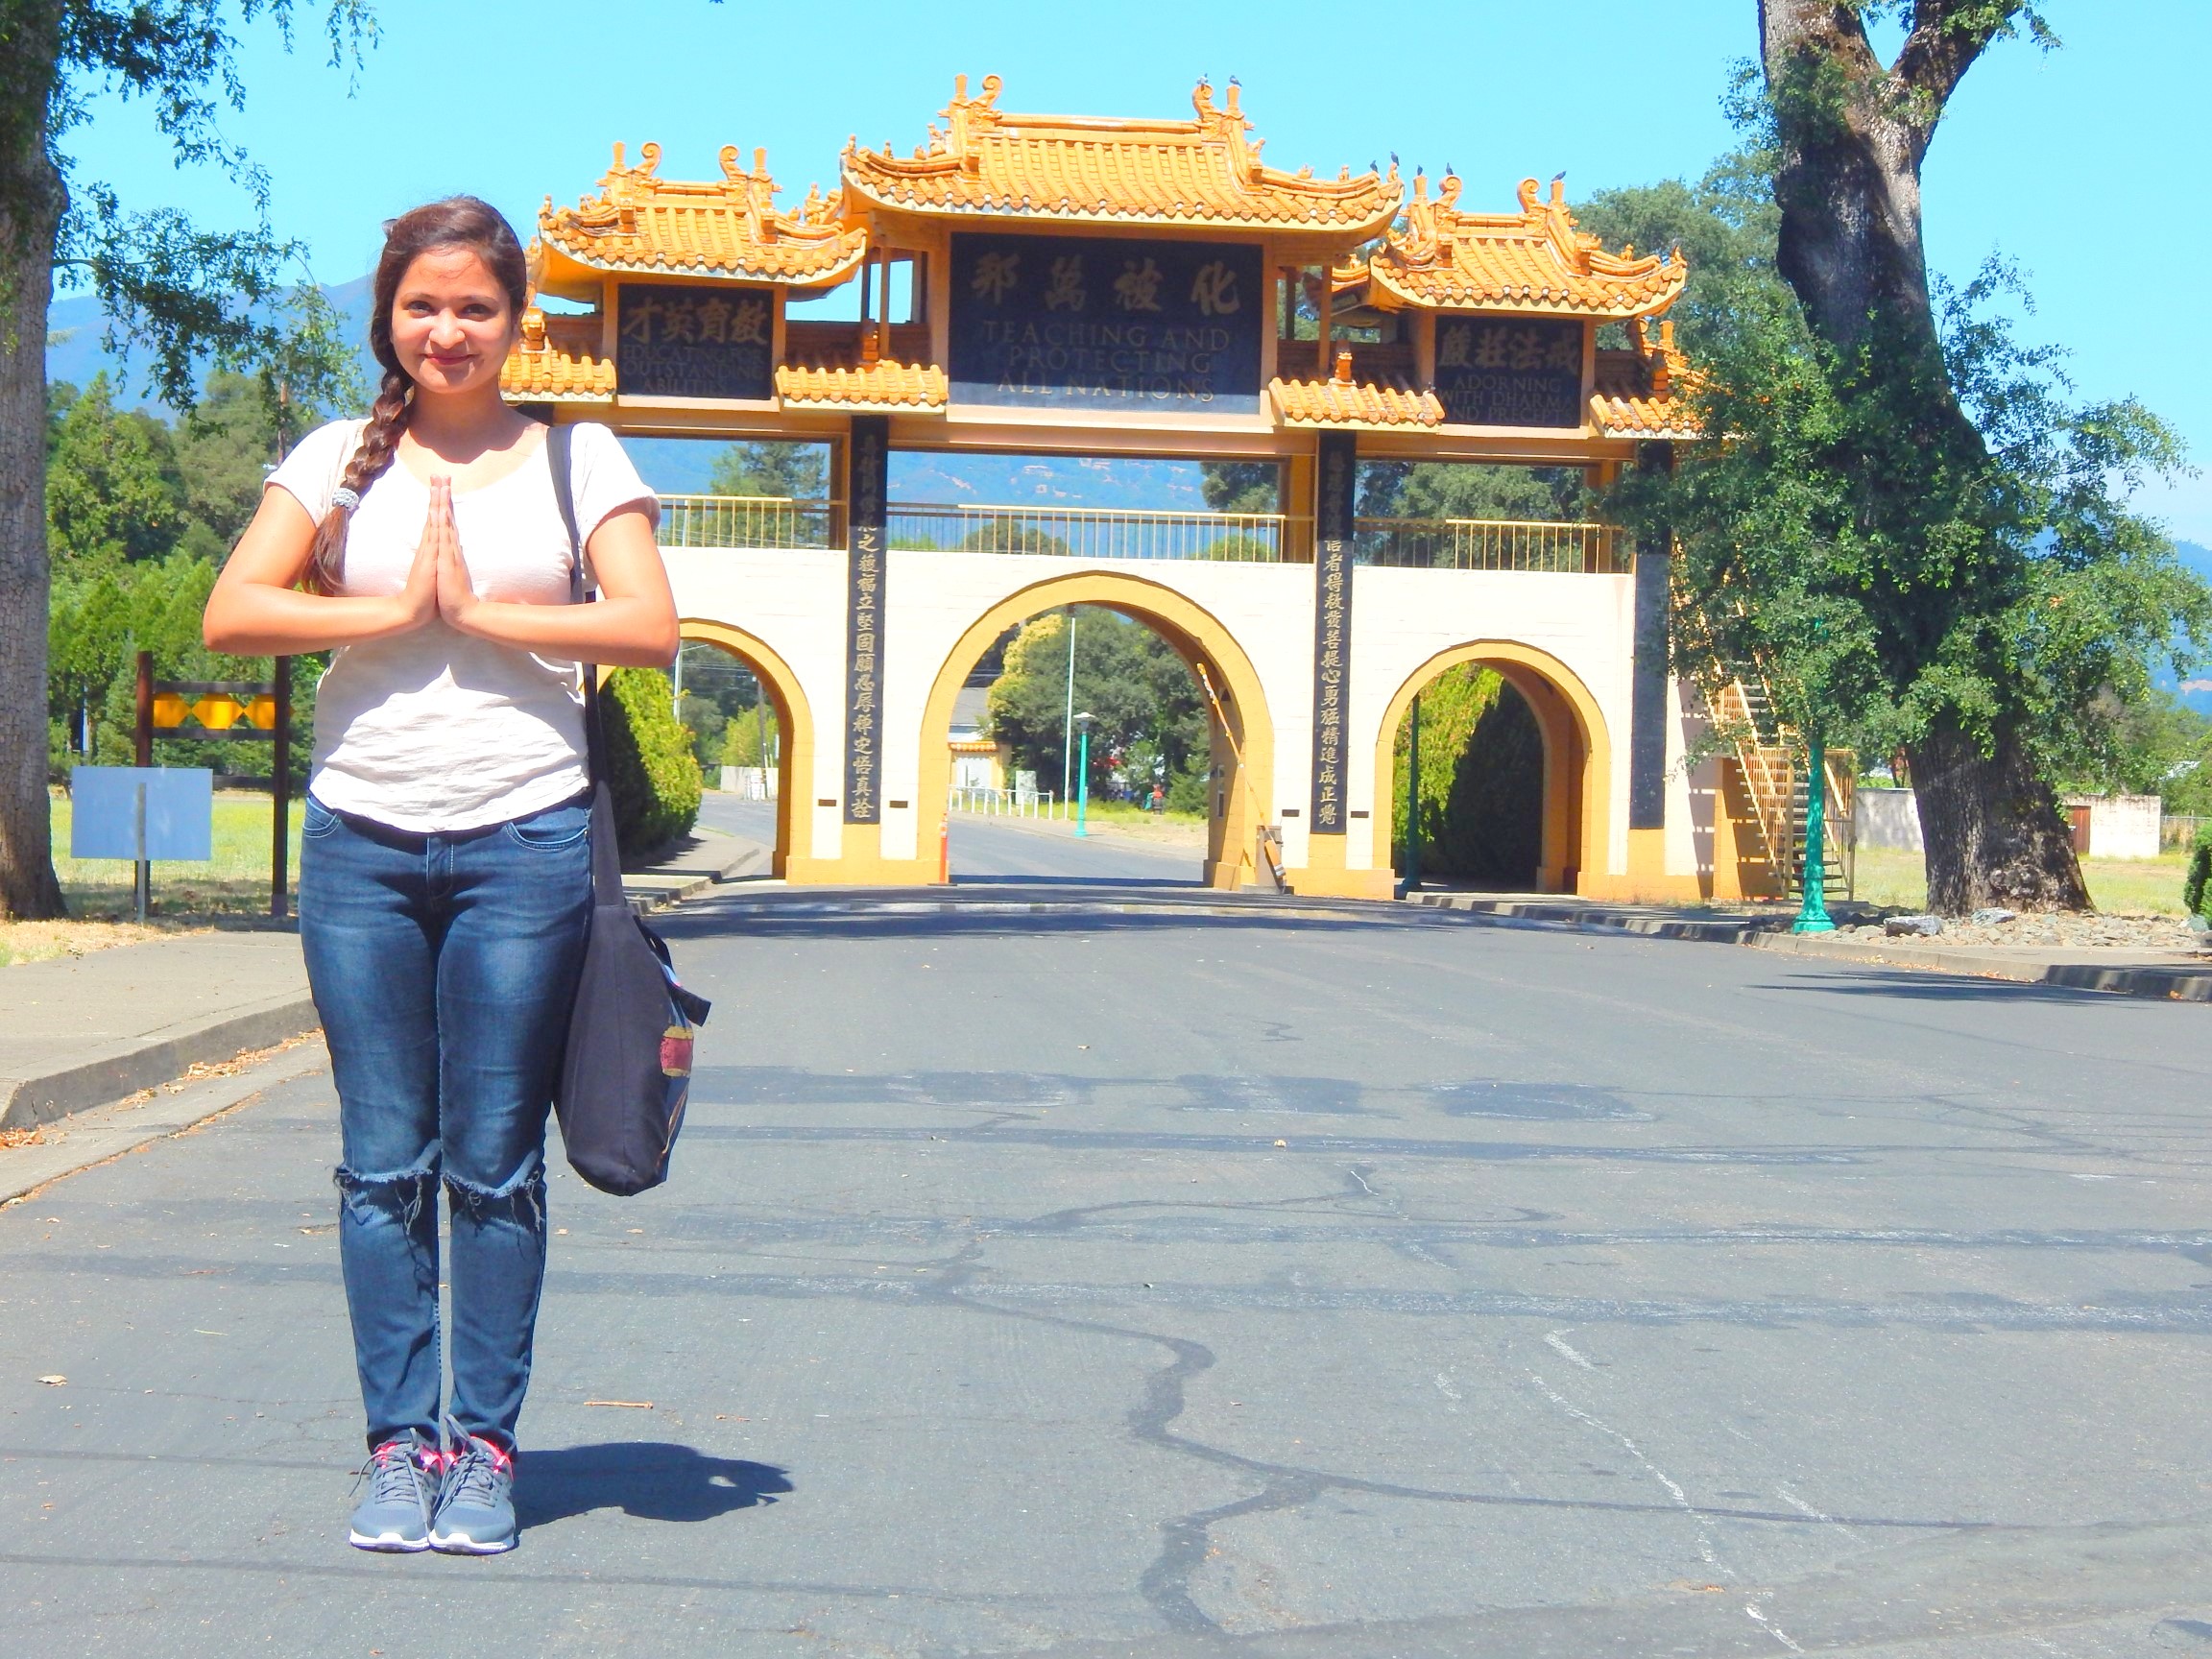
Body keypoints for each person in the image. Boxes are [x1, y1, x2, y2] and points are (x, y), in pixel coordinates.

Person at [203, 197, 677, 1555]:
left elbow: (650, 625)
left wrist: (485, 617)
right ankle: (399, 1444)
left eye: (476, 307)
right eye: (425, 306)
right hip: (361, 842)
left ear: (517, 322)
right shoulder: (336, 461)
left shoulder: (576, 459)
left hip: (521, 841)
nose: (449, 330)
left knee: (492, 1167)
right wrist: (393, 613)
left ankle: (484, 1448)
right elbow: (236, 611)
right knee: (377, 1165)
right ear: (389, 321)